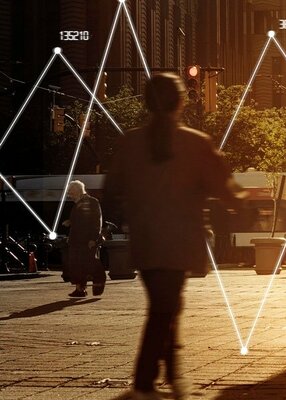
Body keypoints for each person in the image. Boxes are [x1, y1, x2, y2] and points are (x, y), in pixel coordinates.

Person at [104, 73, 245, 400]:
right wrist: (242, 201)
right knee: (164, 309)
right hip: (180, 242)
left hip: (146, 241)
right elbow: (225, 188)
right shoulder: (196, 143)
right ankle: (144, 382)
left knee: (166, 304)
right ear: (182, 102)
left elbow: (111, 190)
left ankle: (171, 372)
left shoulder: (129, 143)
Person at [63, 180, 104, 297]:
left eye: (70, 192)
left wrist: (93, 238)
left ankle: (99, 281)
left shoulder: (92, 202)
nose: (69, 195)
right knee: (76, 265)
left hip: (86, 240)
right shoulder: (79, 203)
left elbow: (97, 220)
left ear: (77, 191)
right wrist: (70, 222)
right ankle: (80, 289)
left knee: (88, 263)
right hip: (76, 240)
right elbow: (83, 220)